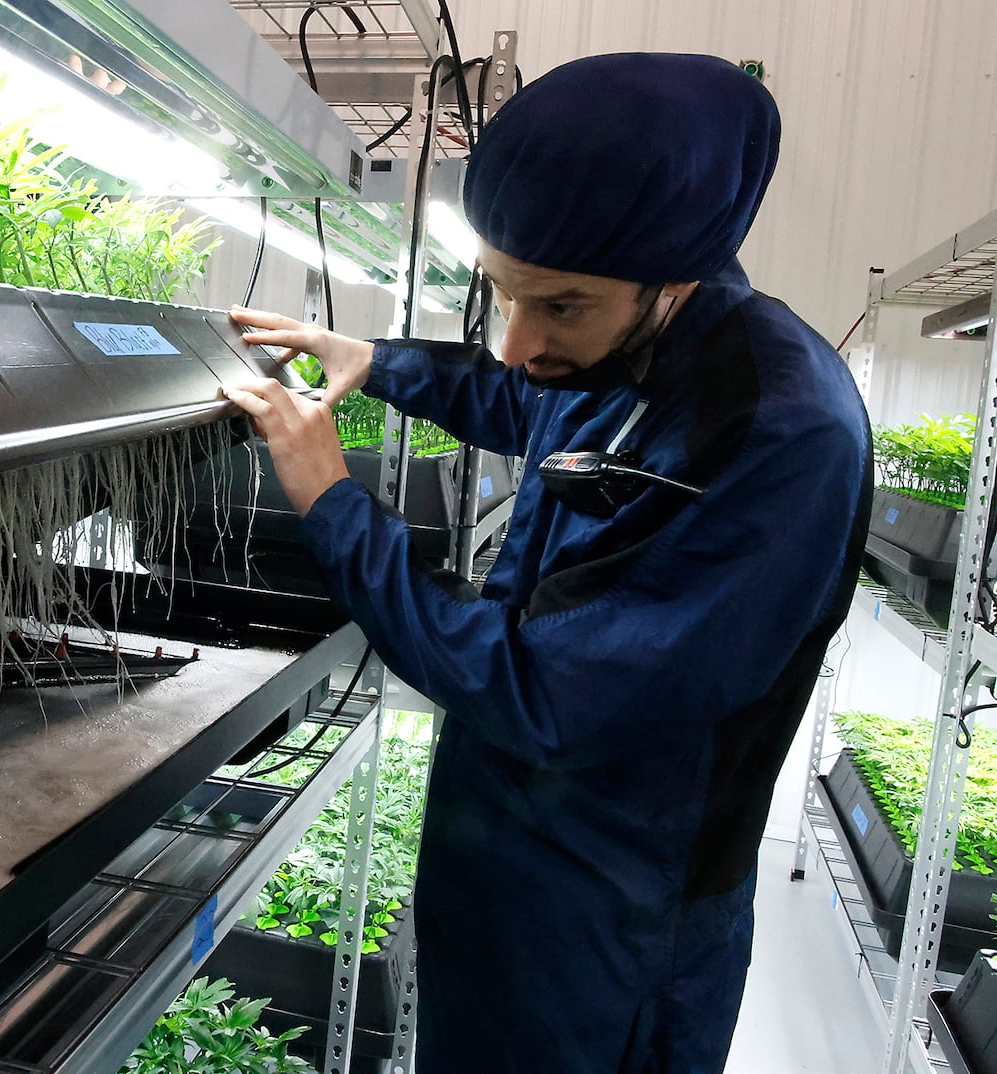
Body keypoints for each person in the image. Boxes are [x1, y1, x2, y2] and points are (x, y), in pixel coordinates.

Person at [220, 53, 871, 1074]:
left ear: (677, 273)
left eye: (558, 307)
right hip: (509, 851)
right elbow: (529, 400)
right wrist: (373, 360)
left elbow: (542, 692)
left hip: (613, 914)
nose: (519, 342)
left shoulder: (772, 432)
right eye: (500, 295)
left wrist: (335, 506)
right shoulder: (641, 341)